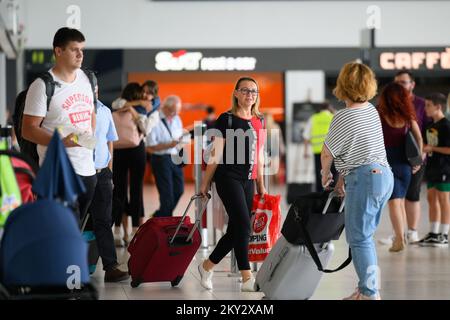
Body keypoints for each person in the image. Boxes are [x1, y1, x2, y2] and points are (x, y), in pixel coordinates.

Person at [321, 62, 393, 300]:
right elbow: (357, 150)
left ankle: (370, 293)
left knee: (359, 238)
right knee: (364, 237)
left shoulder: (342, 116)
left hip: (365, 178)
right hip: (383, 176)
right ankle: (366, 288)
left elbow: (328, 152)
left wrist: (326, 174)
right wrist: (342, 178)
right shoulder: (371, 110)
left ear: (343, 84)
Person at [197, 77, 266, 292]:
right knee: (244, 226)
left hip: (248, 180)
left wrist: (261, 184)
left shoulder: (259, 120)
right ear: (236, 93)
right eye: (245, 91)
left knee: (237, 228)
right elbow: (216, 153)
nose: (250, 95)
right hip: (228, 178)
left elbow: (259, 156)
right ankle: (247, 277)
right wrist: (205, 183)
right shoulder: (225, 119)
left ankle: (207, 265)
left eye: (253, 91)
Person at [22, 27, 96, 223]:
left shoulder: (87, 78)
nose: (80, 55)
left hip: (87, 169)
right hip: (58, 171)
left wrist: (91, 140)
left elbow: (91, 114)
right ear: (58, 51)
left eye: (82, 49)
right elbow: (28, 130)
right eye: (74, 49)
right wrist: (62, 142)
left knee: (78, 229)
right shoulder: (42, 85)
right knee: (63, 228)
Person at [88, 87, 129, 282]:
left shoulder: (104, 110)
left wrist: (110, 171)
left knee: (104, 220)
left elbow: (109, 141)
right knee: (74, 219)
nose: (94, 92)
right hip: (81, 172)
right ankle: (68, 265)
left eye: (96, 88)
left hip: (103, 172)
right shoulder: (75, 110)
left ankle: (110, 266)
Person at [377, 82, 422, 252]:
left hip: (387, 162)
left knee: (394, 202)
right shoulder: (408, 117)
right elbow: (418, 138)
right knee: (400, 202)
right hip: (405, 164)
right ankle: (400, 235)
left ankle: (399, 239)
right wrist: (417, 161)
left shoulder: (379, 114)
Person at [112, 83, 156, 245]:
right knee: (130, 189)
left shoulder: (120, 108)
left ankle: (120, 230)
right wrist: (135, 109)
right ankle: (132, 231)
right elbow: (145, 131)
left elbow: (146, 129)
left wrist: (131, 109)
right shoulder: (140, 109)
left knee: (120, 188)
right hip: (136, 149)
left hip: (118, 149)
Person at [393, 70, 428, 243]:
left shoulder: (422, 104)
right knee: (396, 196)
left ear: (412, 84)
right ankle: (399, 233)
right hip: (395, 158)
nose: (399, 85)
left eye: (403, 82)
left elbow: (427, 133)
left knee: (412, 195)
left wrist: (419, 158)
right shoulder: (391, 104)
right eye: (397, 82)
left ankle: (412, 232)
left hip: (415, 158)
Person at [418, 93, 450, 247]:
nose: (425, 109)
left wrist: (432, 148)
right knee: (432, 199)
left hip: (445, 168)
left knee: (444, 200)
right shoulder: (430, 126)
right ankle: (434, 232)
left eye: (428, 105)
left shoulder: (447, 125)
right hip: (432, 167)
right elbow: (427, 146)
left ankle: (444, 234)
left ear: (438, 106)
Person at [146, 95, 186, 217]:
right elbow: (150, 146)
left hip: (175, 157)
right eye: (173, 111)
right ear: (165, 107)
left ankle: (160, 215)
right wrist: (169, 144)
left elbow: (178, 135)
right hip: (160, 159)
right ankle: (166, 222)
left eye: (177, 111)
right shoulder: (154, 119)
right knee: (166, 194)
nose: (175, 114)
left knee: (179, 190)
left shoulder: (176, 118)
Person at [303, 102, 335, 192]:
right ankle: (332, 197)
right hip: (332, 152)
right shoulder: (333, 117)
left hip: (318, 152)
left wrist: (305, 152)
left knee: (319, 175)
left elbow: (306, 136)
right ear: (329, 108)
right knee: (333, 175)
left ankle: (320, 197)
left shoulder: (314, 118)